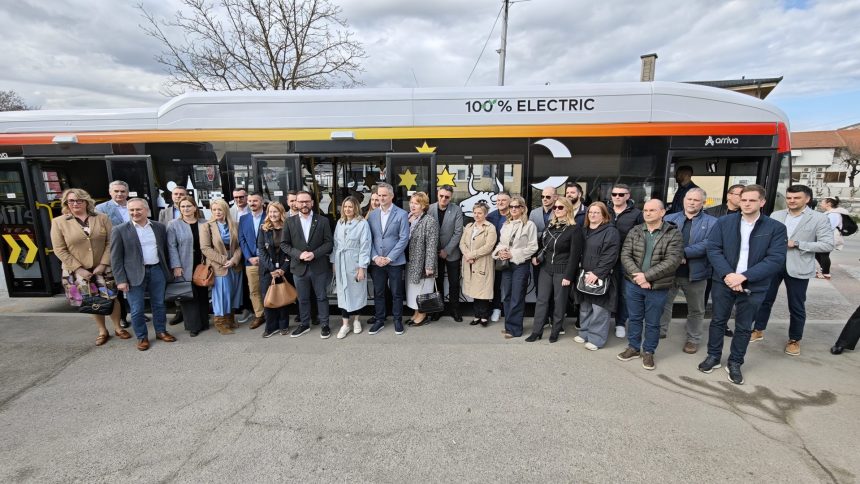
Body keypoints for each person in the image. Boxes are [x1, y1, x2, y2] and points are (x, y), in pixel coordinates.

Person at [697, 184, 787, 385]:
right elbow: (714, 249)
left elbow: (775, 259)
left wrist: (743, 277)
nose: (746, 204)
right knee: (718, 321)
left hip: (754, 284)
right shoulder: (724, 222)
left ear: (762, 202)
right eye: (743, 199)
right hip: (724, 281)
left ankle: (735, 362)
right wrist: (729, 275)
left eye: (752, 200)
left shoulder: (775, 228)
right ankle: (713, 356)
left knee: (744, 326)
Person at [751, 184, 833, 356]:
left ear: (807, 199)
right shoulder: (777, 215)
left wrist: (797, 243)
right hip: (772, 265)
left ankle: (794, 339)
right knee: (764, 300)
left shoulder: (818, 218)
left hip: (798, 266)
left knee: (796, 305)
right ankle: (758, 329)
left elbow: (827, 244)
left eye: (797, 198)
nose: (792, 201)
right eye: (789, 198)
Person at [51, 188, 128, 346]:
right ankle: (102, 331)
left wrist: (103, 264)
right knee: (91, 299)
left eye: (79, 200)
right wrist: (79, 269)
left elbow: (111, 242)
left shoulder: (102, 218)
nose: (75, 203)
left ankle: (118, 328)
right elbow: (59, 249)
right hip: (77, 270)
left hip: (103, 267)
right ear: (66, 203)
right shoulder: (59, 222)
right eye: (71, 201)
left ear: (86, 202)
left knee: (112, 297)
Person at [616, 200, 683, 371]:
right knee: (634, 318)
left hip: (658, 286)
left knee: (653, 322)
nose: (647, 213)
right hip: (634, 283)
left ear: (662, 212)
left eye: (652, 210)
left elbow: (672, 261)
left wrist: (646, 277)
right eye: (645, 210)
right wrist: (639, 277)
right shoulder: (636, 230)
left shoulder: (673, 233)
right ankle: (633, 347)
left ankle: (648, 351)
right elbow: (625, 255)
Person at [110, 198, 176, 351]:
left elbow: (165, 250)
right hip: (133, 275)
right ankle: (142, 337)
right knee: (137, 308)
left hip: (157, 270)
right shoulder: (119, 230)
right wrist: (120, 280)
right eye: (131, 210)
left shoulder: (159, 227)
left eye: (138, 209)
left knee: (159, 304)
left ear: (147, 210)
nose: (135, 213)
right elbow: (115, 258)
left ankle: (161, 331)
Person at [659, 188, 717, 354]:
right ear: (684, 200)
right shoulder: (669, 218)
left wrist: (684, 254)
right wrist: (676, 256)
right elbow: (661, 241)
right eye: (689, 199)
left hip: (696, 272)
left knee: (696, 309)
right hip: (669, 271)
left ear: (703, 203)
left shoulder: (713, 222)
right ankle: (660, 330)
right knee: (663, 304)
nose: (691, 202)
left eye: (696, 200)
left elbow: (709, 244)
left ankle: (693, 339)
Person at [525, 197, 584, 343]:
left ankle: (556, 331)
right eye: (555, 208)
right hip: (546, 268)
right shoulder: (550, 225)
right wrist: (537, 257)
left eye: (560, 207)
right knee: (541, 300)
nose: (557, 210)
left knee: (559, 302)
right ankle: (536, 331)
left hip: (562, 270)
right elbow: (544, 246)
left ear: (568, 209)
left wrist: (568, 276)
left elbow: (574, 256)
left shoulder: (574, 229)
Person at [282, 190, 334, 338]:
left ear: (312, 203)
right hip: (299, 267)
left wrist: (314, 254)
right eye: (301, 202)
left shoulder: (322, 221)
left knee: (322, 297)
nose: (304, 204)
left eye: (307, 201)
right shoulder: (289, 222)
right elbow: (284, 244)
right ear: (296, 203)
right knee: (302, 298)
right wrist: (299, 254)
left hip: (319, 266)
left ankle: (325, 324)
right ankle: (304, 324)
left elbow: (329, 243)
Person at [573, 202, 620, 350]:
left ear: (604, 215)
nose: (592, 215)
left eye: (596, 212)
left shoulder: (610, 231)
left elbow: (610, 255)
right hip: (584, 274)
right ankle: (584, 333)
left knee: (599, 309)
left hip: (600, 275)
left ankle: (596, 339)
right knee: (585, 307)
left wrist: (597, 273)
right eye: (590, 212)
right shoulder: (584, 230)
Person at [367, 182, 410, 335]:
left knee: (397, 293)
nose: (381, 198)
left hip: (395, 262)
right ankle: (379, 320)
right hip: (377, 262)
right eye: (379, 195)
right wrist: (375, 257)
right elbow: (369, 239)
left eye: (384, 195)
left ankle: (398, 320)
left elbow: (404, 238)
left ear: (391, 196)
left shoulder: (401, 214)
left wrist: (390, 258)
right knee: (378, 292)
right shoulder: (372, 215)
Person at [492, 195, 538, 339]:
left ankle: (515, 329)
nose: (513, 209)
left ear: (522, 208)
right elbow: (501, 243)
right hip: (506, 265)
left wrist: (513, 254)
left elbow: (533, 247)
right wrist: (500, 252)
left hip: (520, 265)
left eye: (516, 206)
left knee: (517, 297)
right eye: (511, 206)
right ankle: (509, 326)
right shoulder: (506, 224)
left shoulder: (529, 225)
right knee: (507, 296)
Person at [166, 196, 210, 337]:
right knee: (189, 295)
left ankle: (204, 322)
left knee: (202, 293)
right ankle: (193, 326)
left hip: (201, 263)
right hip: (184, 264)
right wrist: (176, 266)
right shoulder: (173, 225)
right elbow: (171, 246)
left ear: (195, 207)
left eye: (189, 206)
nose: (186, 209)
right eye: (183, 206)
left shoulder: (204, 223)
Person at [704, 184, 744, 336]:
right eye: (739, 194)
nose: (742, 198)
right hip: (709, 260)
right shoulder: (711, 212)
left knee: (725, 297)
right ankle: (696, 324)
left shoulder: (745, 214)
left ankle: (722, 324)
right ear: (729, 195)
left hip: (730, 263)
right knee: (704, 293)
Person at [200, 198, 244, 335]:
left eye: (219, 209)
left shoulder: (235, 225)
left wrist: (234, 260)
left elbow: (240, 245)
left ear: (225, 210)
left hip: (234, 265)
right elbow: (205, 248)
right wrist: (224, 260)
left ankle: (230, 319)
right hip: (219, 266)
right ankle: (220, 322)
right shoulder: (206, 227)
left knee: (233, 293)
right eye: (214, 210)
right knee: (221, 295)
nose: (217, 212)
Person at [96, 180, 135, 328]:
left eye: (123, 191)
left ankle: (136, 312)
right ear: (110, 192)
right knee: (119, 284)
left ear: (127, 192)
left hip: (134, 251)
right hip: (115, 251)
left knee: (135, 283)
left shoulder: (134, 205)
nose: (119, 194)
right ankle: (122, 317)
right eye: (116, 191)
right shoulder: (101, 209)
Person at [331, 196, 371, 339]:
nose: (347, 209)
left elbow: (365, 246)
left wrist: (362, 267)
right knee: (343, 292)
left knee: (356, 292)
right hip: (340, 260)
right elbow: (335, 244)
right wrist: (334, 262)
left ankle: (356, 320)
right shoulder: (340, 222)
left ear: (356, 208)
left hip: (354, 261)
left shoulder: (362, 223)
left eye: (350, 207)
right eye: (345, 207)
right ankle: (345, 324)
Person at [608, 183, 643, 339]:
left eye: (621, 194)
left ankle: (620, 323)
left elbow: (641, 237)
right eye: (614, 194)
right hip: (606, 258)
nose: (617, 197)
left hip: (626, 260)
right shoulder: (605, 210)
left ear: (628, 196)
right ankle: (601, 323)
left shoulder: (637, 214)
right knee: (604, 290)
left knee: (624, 293)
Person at [403, 192, 439, 327]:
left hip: (423, 264)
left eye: (416, 203)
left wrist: (429, 265)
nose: (412, 206)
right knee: (413, 290)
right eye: (411, 202)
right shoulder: (408, 218)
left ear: (423, 205)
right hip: (411, 262)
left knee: (423, 291)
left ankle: (422, 315)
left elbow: (431, 245)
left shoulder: (429, 221)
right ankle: (416, 313)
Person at [429, 185, 464, 322]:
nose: (444, 198)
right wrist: (435, 250)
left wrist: (447, 250)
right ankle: (438, 310)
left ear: (451, 197)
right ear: (438, 194)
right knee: (437, 282)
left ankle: (455, 310)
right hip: (434, 253)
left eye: (447, 197)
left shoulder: (456, 210)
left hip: (452, 253)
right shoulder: (429, 209)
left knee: (454, 283)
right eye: (441, 196)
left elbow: (458, 232)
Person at [460, 201, 497, 327]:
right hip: (469, 263)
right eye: (475, 212)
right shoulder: (469, 226)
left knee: (483, 291)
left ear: (485, 214)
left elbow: (489, 247)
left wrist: (472, 255)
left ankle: (484, 316)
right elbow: (462, 243)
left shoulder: (490, 228)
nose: (476, 215)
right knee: (474, 290)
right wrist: (467, 255)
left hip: (482, 262)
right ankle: (476, 315)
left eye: (479, 213)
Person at [258, 202, 292, 338]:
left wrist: (283, 268)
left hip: (284, 269)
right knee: (268, 299)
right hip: (267, 270)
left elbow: (290, 249)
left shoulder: (288, 228)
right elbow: (261, 250)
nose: (272, 214)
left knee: (283, 297)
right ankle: (270, 327)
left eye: (275, 212)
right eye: (270, 212)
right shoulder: (263, 228)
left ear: (281, 213)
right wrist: (272, 269)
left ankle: (284, 325)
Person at [529, 186, 558, 328]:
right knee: (539, 288)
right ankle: (544, 318)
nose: (544, 199)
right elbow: (530, 234)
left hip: (554, 255)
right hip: (537, 255)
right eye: (542, 197)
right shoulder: (534, 213)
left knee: (554, 290)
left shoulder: (559, 211)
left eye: (548, 196)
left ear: (555, 197)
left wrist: (540, 234)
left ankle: (553, 317)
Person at [238, 192, 267, 329]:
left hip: (267, 261)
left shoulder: (269, 216)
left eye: (255, 201)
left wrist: (262, 257)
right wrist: (249, 257)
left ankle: (271, 313)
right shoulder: (243, 219)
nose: (252, 203)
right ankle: (259, 315)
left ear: (262, 202)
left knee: (268, 289)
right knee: (254, 290)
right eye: (250, 201)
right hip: (251, 262)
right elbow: (242, 240)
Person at [487, 190, 512, 322]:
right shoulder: (490, 216)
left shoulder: (514, 215)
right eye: (498, 200)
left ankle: (510, 311)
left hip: (511, 255)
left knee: (509, 285)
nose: (500, 202)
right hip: (495, 256)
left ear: (510, 202)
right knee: (496, 283)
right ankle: (496, 308)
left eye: (503, 200)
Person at [815, 197, 848, 279]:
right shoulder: (830, 213)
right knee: (818, 253)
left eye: (822, 202)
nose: (820, 204)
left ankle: (826, 273)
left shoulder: (833, 214)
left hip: (830, 237)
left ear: (828, 204)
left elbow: (829, 226)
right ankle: (824, 270)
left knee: (824, 254)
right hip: (827, 236)